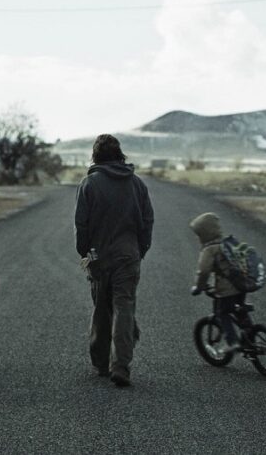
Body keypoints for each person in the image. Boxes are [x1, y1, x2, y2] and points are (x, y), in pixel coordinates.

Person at [74, 134, 154, 387]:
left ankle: (100, 362)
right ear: (120, 155)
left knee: (101, 306)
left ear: (96, 156)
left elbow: (81, 224)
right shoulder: (137, 184)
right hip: (128, 254)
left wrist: (85, 253)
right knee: (124, 306)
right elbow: (147, 221)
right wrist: (140, 249)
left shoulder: (89, 184)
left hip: (99, 256)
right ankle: (120, 365)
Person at [189, 212, 247, 358]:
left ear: (204, 234)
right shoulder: (229, 242)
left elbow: (204, 271)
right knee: (240, 310)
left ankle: (233, 342)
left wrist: (199, 287)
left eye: (199, 234)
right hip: (242, 285)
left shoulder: (209, 249)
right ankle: (250, 334)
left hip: (227, 289)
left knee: (222, 313)